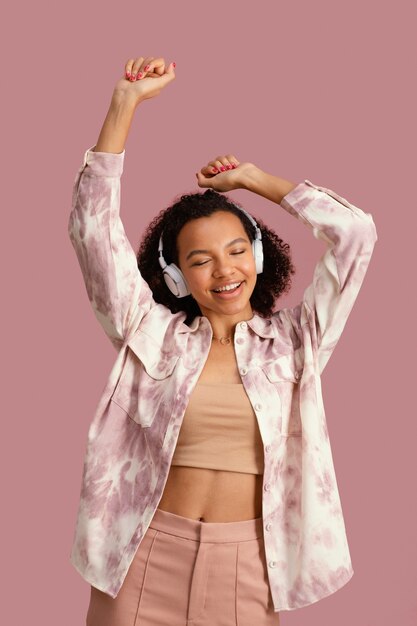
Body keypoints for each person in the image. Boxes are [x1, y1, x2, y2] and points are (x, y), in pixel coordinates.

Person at [68, 56, 378, 625]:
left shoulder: (295, 342)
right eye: (200, 260)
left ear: (259, 257)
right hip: (142, 557)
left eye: (237, 250)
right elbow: (93, 230)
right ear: (178, 277)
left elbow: (356, 235)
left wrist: (254, 181)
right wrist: (123, 105)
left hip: (249, 566)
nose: (224, 270)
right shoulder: (149, 334)